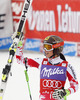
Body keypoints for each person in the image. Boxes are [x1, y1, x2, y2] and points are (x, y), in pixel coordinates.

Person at [15, 35, 79, 100]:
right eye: (44, 47)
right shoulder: (41, 62)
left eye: (48, 47)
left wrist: (65, 92)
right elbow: (20, 60)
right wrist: (18, 45)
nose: (45, 50)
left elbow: (75, 85)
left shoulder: (66, 66)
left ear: (56, 49)